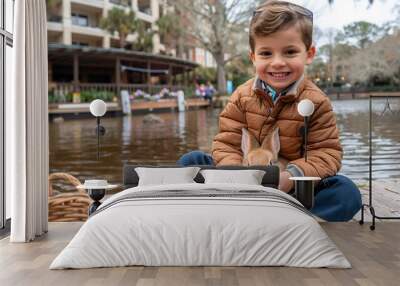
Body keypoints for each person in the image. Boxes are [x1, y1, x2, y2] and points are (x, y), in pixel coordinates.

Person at [177, 1, 362, 222]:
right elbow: (227, 144)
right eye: (266, 53)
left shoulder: (317, 101)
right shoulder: (241, 96)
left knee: (346, 192)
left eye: (290, 52)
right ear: (253, 57)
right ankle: (230, 207)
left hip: (291, 188)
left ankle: (294, 220)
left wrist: (292, 177)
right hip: (241, 184)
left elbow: (326, 153)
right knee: (191, 161)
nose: (277, 63)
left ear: (309, 54)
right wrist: (238, 176)